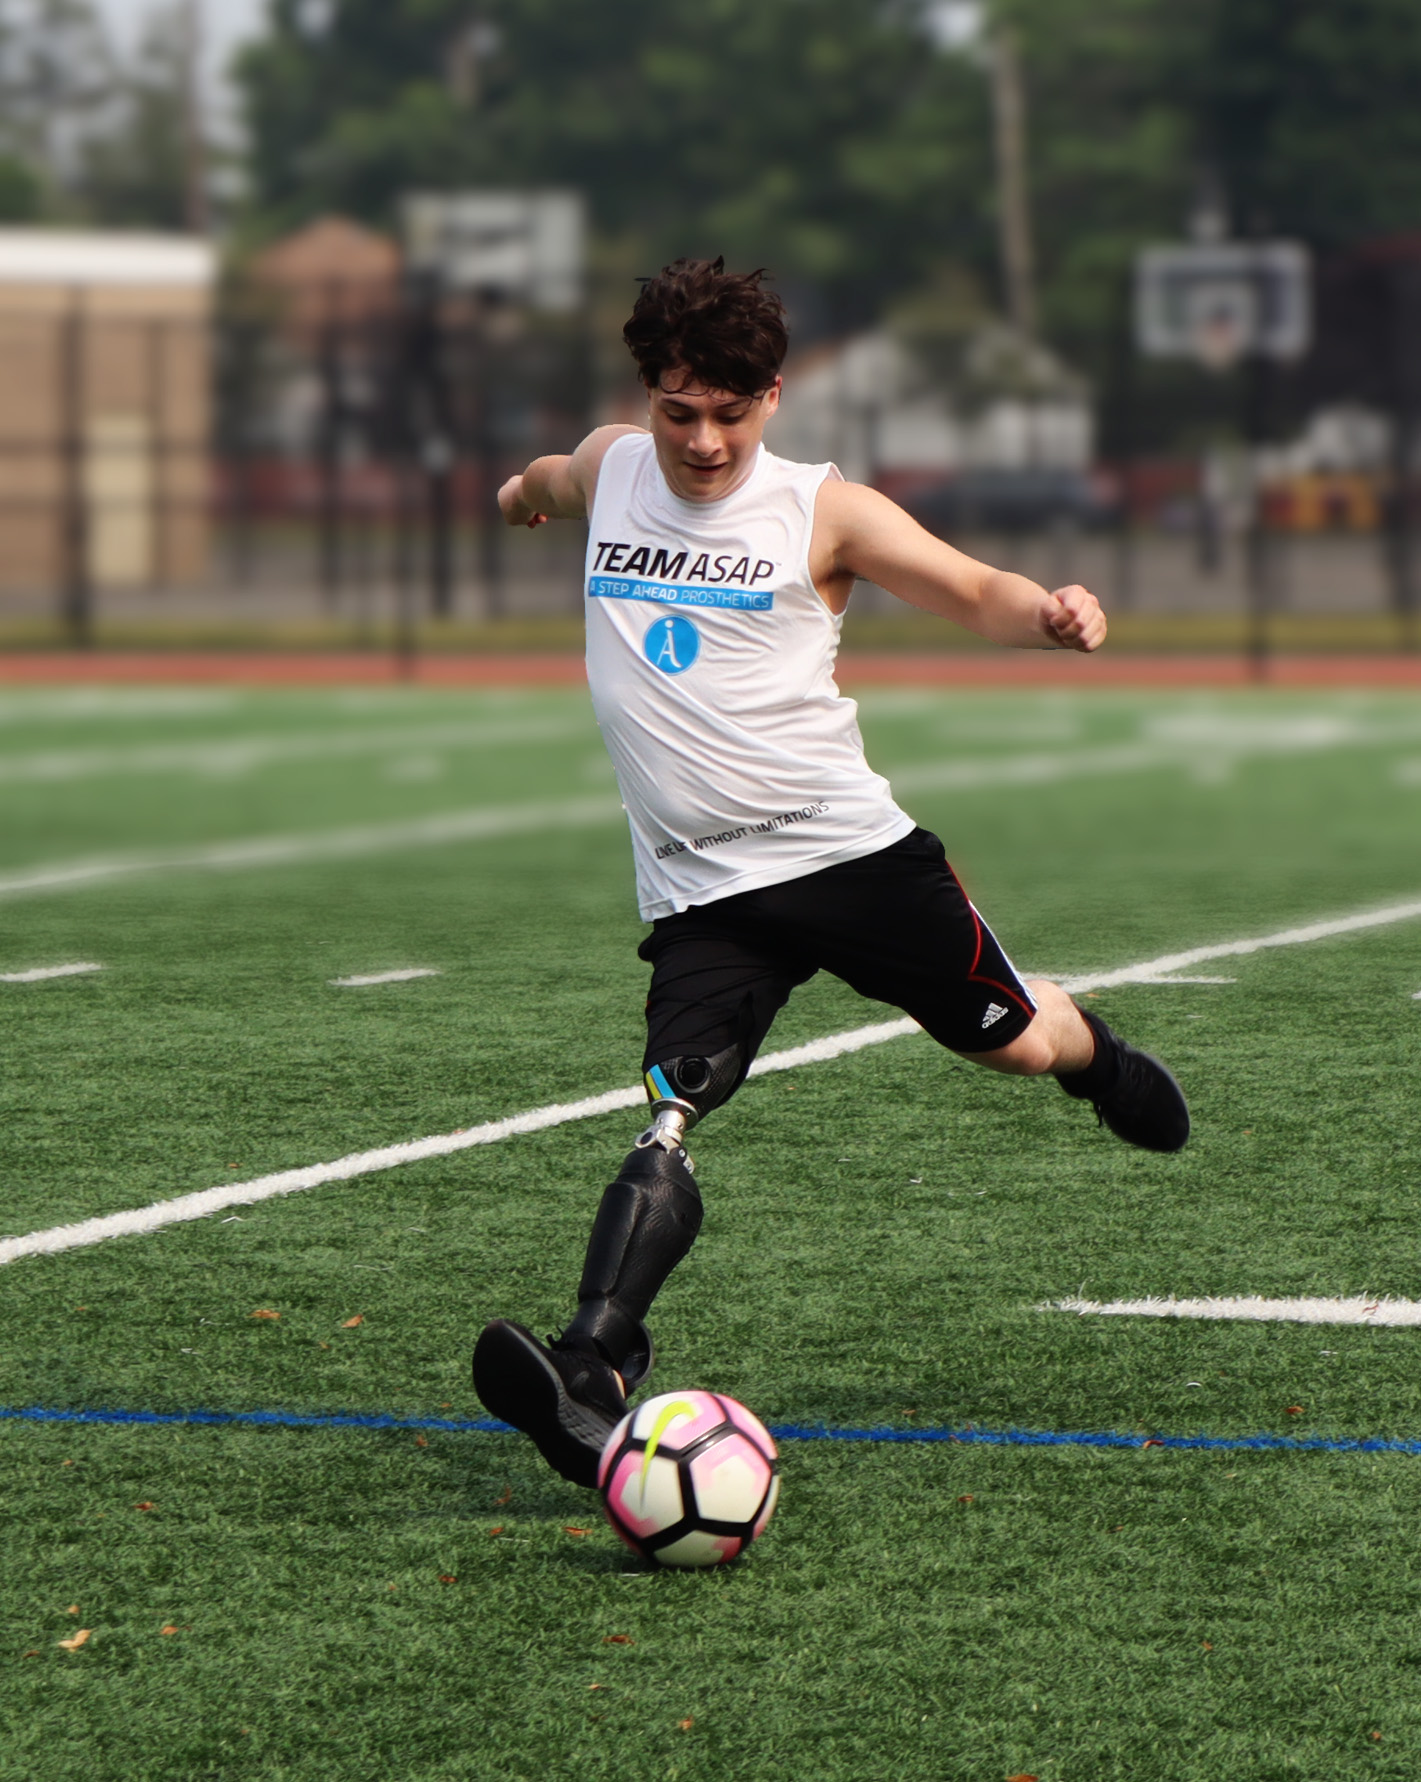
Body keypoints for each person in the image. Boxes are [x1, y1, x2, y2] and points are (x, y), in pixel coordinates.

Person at [473, 257, 1188, 1489]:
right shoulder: (614, 465)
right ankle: (592, 1364)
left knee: (1010, 1042)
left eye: (730, 412)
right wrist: (521, 498)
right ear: (646, 394)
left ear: (774, 395)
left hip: (849, 857)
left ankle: (1097, 1056)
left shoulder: (822, 510)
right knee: (678, 1093)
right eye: (678, 409)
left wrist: (1052, 611)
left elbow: (969, 587)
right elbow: (547, 480)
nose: (702, 441)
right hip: (702, 888)